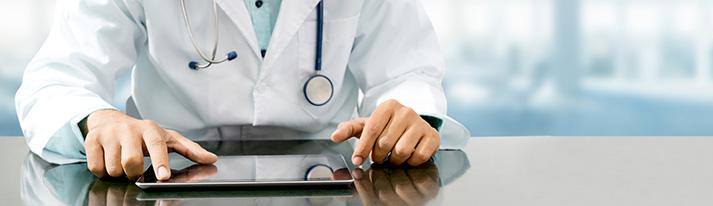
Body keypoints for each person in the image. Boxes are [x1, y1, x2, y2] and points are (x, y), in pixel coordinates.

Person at [15, 0, 468, 181]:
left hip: (326, 179)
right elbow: (57, 79)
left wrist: (412, 116)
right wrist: (97, 120)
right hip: (168, 175)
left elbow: (408, 73)